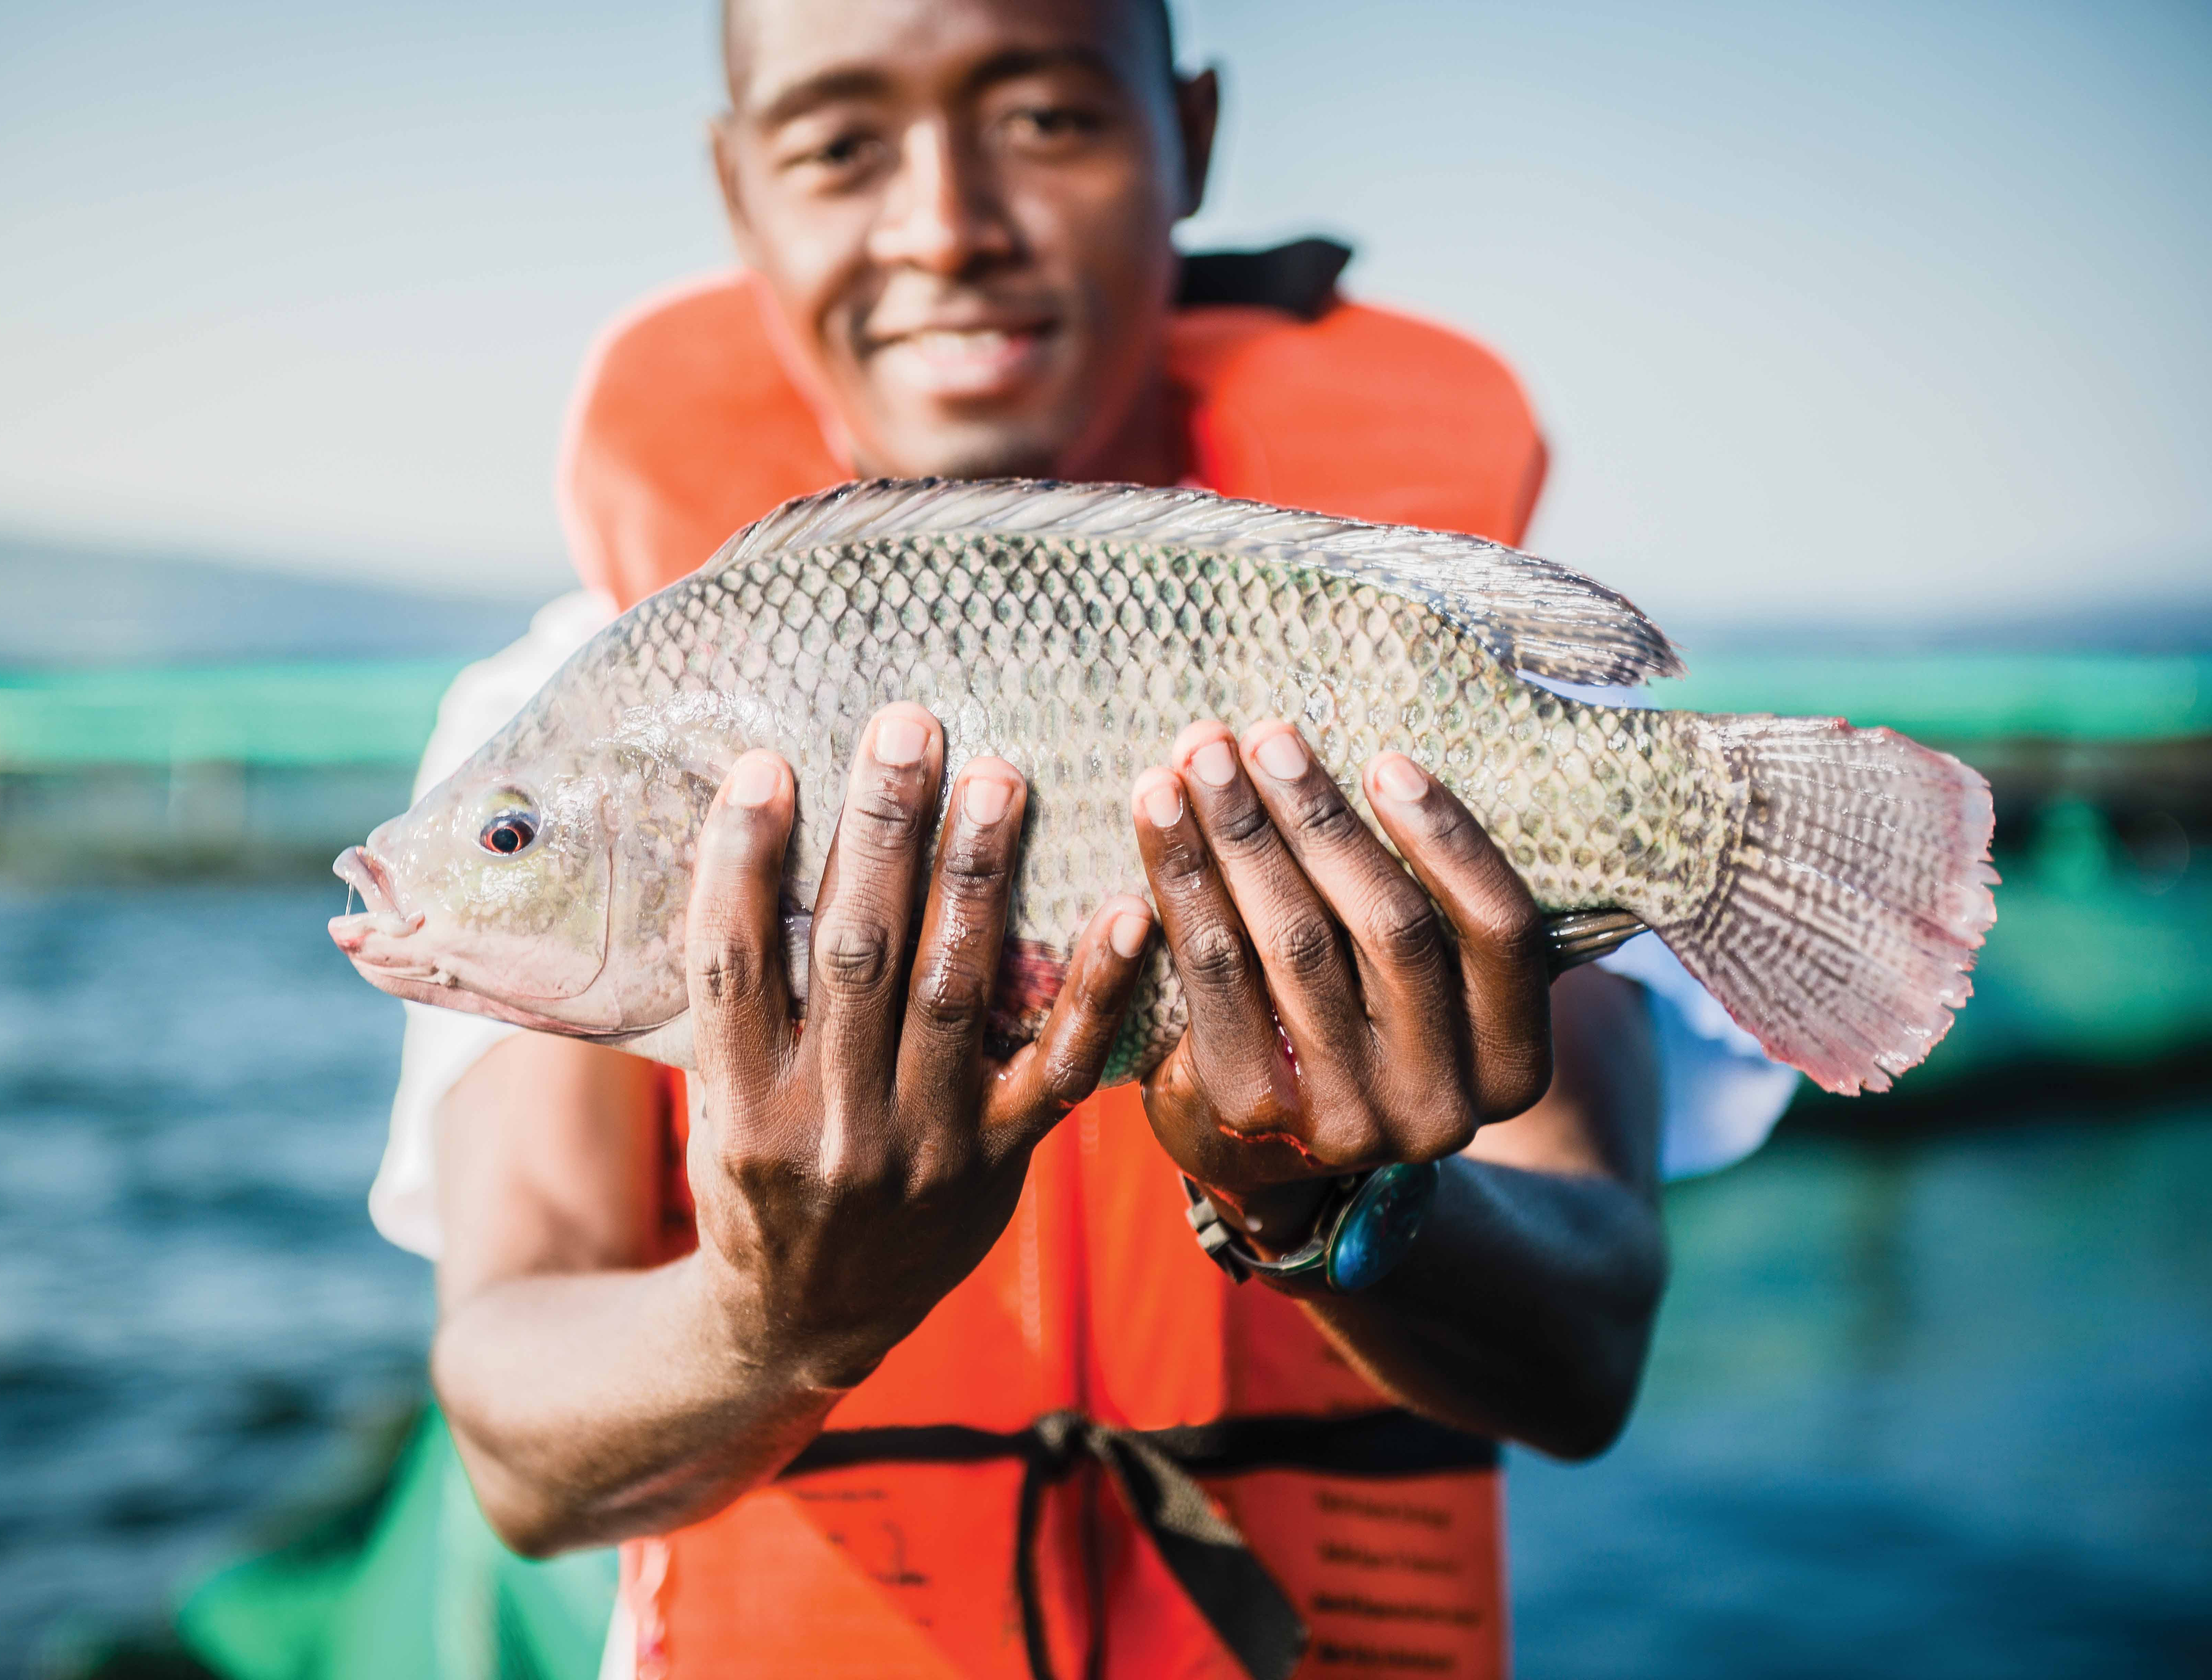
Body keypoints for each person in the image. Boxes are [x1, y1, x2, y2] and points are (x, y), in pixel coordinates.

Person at [366, 1, 1799, 1675]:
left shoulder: (1399, 657)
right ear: (735, 182)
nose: (947, 227)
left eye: (1045, 119)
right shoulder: (573, 696)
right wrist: (773, 1311)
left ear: (1185, 138)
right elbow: (517, 1448)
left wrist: (1329, 1201)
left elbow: (1584, 1349)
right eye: (840, 145)